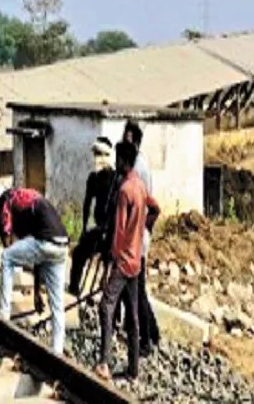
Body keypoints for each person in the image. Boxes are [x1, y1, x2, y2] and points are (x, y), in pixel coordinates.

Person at [97, 140, 161, 380]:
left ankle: (104, 362)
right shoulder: (141, 186)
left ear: (123, 161)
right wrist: (144, 228)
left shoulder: (125, 190)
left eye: (117, 159)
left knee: (106, 307)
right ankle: (133, 369)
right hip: (137, 260)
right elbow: (155, 209)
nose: (115, 163)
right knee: (133, 315)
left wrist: (111, 263)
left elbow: (119, 231)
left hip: (123, 261)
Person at [0, 184, 69, 355]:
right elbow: (36, 256)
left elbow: (7, 236)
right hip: (61, 245)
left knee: (6, 257)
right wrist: (36, 292)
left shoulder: (6, 199)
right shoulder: (24, 198)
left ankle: (3, 316)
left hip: (45, 242)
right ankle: (57, 352)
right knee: (57, 304)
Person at [118, 120, 161, 354]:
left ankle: (146, 337)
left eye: (127, 139)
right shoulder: (137, 164)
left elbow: (147, 205)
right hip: (138, 236)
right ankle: (150, 332)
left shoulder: (137, 168)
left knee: (137, 290)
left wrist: (141, 230)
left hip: (136, 240)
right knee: (135, 290)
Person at [68, 137, 116, 296]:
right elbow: (87, 205)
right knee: (78, 254)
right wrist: (83, 230)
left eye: (100, 154)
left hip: (113, 233)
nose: (97, 158)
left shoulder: (116, 179)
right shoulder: (93, 178)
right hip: (99, 229)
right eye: (95, 154)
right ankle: (73, 289)